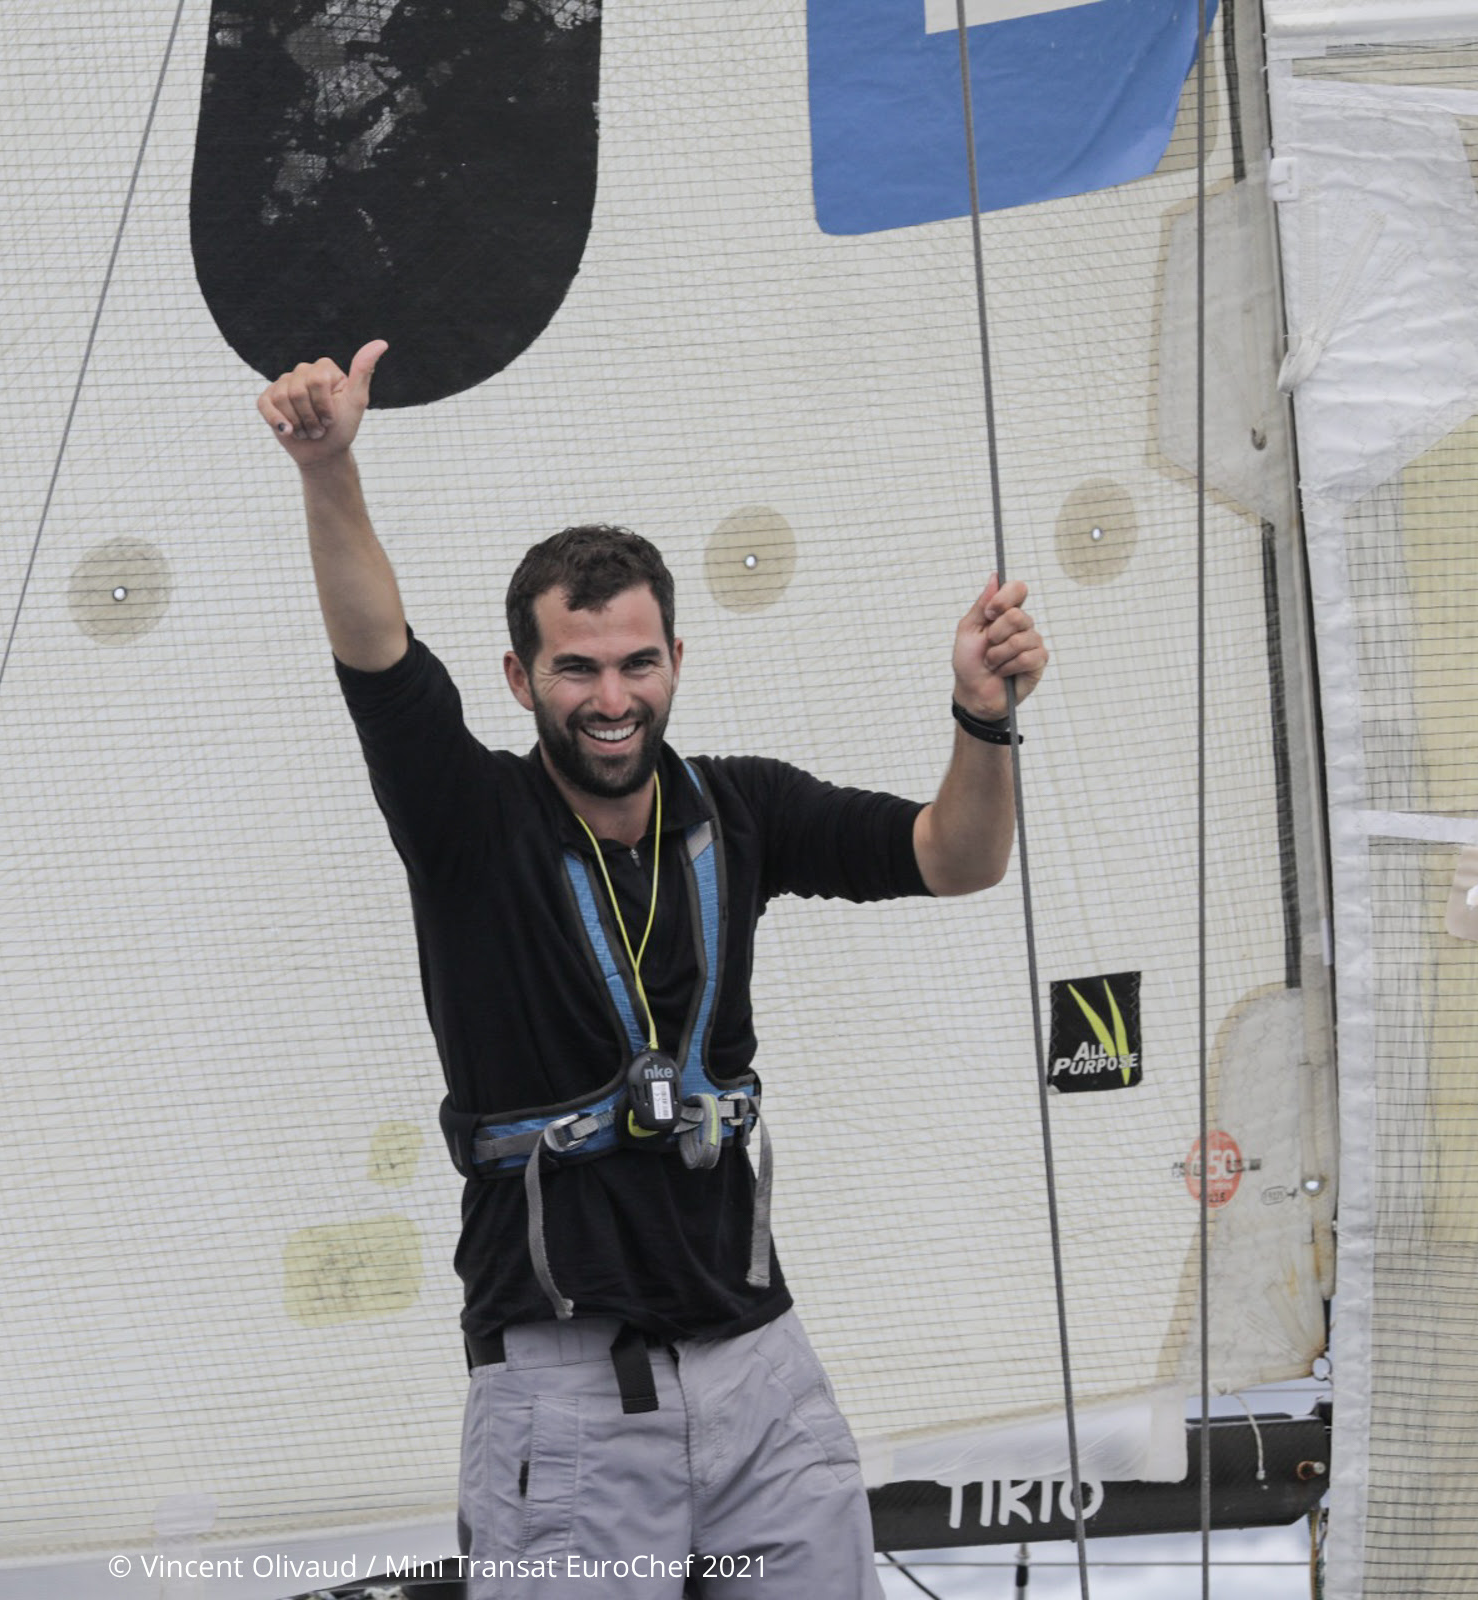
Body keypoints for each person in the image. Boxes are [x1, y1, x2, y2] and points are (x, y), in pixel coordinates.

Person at [258, 341, 1047, 1599]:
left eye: (636, 663)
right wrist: (330, 467)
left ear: (677, 660)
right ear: (523, 679)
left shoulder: (744, 810)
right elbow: (379, 658)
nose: (611, 697)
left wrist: (982, 718)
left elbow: (957, 858)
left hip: (762, 1382)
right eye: (576, 668)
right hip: (569, 1397)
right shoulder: (472, 822)